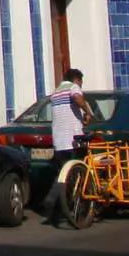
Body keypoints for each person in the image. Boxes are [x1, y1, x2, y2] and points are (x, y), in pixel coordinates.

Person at [38, 69, 91, 226]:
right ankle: (81, 205)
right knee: (81, 171)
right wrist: (87, 111)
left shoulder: (55, 92)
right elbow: (77, 98)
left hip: (59, 140)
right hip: (73, 139)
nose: (81, 85)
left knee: (62, 172)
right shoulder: (73, 88)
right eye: (81, 81)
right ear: (76, 79)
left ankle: (52, 203)